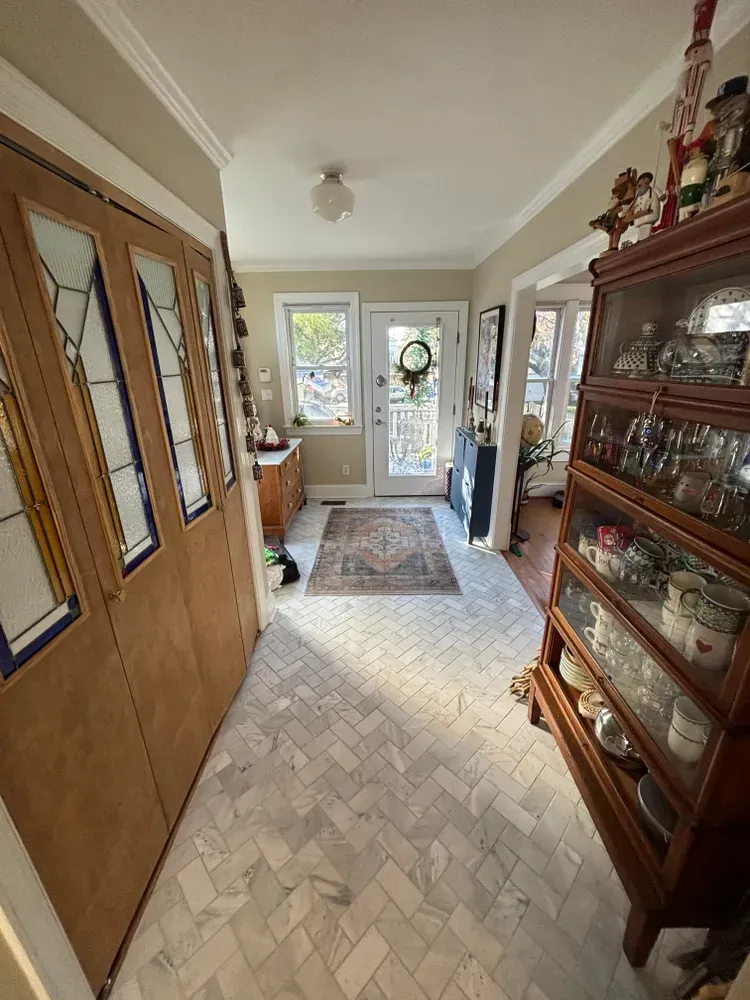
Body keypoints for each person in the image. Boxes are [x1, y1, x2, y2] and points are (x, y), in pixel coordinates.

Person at [621, 172, 665, 241]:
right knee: (641, 232)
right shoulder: (637, 195)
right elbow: (632, 205)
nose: (641, 184)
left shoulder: (652, 189)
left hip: (649, 214)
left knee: (646, 230)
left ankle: (645, 239)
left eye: (645, 181)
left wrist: (662, 197)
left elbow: (661, 196)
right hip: (639, 216)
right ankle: (641, 241)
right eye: (641, 181)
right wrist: (628, 210)